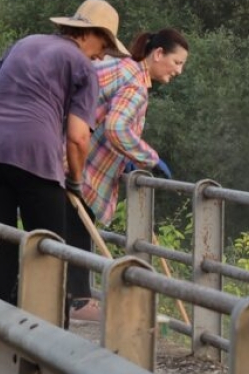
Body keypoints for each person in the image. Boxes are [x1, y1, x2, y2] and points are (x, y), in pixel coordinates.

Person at [0, 0, 128, 310]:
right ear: (88, 33)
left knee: (5, 239)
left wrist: (11, 123)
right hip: (35, 154)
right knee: (51, 246)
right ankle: (46, 326)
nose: (103, 54)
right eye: (104, 44)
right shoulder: (82, 67)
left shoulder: (25, 43)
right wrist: (76, 180)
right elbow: (79, 137)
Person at [65, 28, 189, 320]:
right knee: (78, 226)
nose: (179, 71)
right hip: (77, 161)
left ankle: (71, 297)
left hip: (65, 152)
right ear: (158, 54)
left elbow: (100, 109)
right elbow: (117, 127)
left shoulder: (120, 66)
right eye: (177, 62)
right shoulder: (135, 82)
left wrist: (128, 156)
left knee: (70, 228)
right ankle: (78, 301)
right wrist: (150, 158)